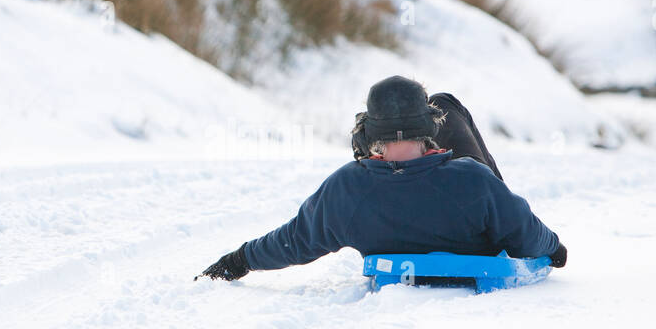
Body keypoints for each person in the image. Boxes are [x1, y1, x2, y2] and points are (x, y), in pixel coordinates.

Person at [198, 75, 566, 282]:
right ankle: (418, 127)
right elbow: (526, 236)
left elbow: (293, 241)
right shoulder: (473, 180)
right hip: (460, 209)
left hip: (379, 199)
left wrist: (238, 260)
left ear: (367, 135)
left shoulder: (347, 188)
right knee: (448, 103)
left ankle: (392, 151)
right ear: (428, 128)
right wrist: (555, 248)